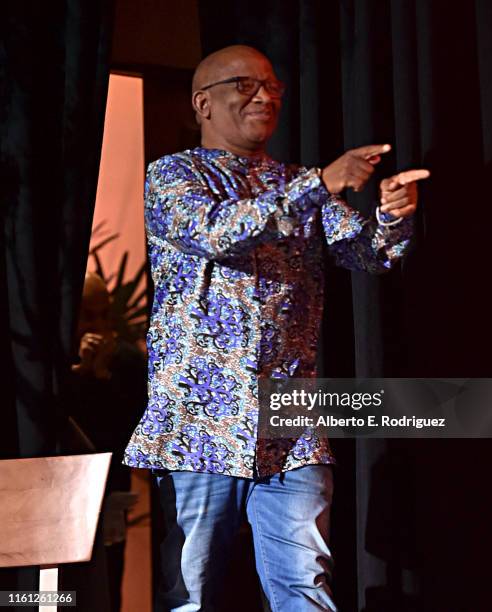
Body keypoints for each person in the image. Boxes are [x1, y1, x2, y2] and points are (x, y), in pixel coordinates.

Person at [123, 45, 429, 611]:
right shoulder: (173, 175)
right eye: (244, 85)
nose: (264, 96)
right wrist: (320, 182)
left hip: (291, 419)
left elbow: (369, 255)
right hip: (201, 422)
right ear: (202, 103)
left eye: (272, 88)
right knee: (192, 593)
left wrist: (391, 215)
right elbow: (217, 231)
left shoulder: (297, 183)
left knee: (304, 585)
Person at [66, 272, 146, 612]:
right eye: (87, 315)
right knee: (58, 591)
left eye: (103, 314)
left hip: (109, 494)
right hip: (60, 497)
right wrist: (81, 374)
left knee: (108, 583)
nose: (96, 325)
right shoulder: (47, 361)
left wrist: (102, 377)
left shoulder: (127, 361)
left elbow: (131, 431)